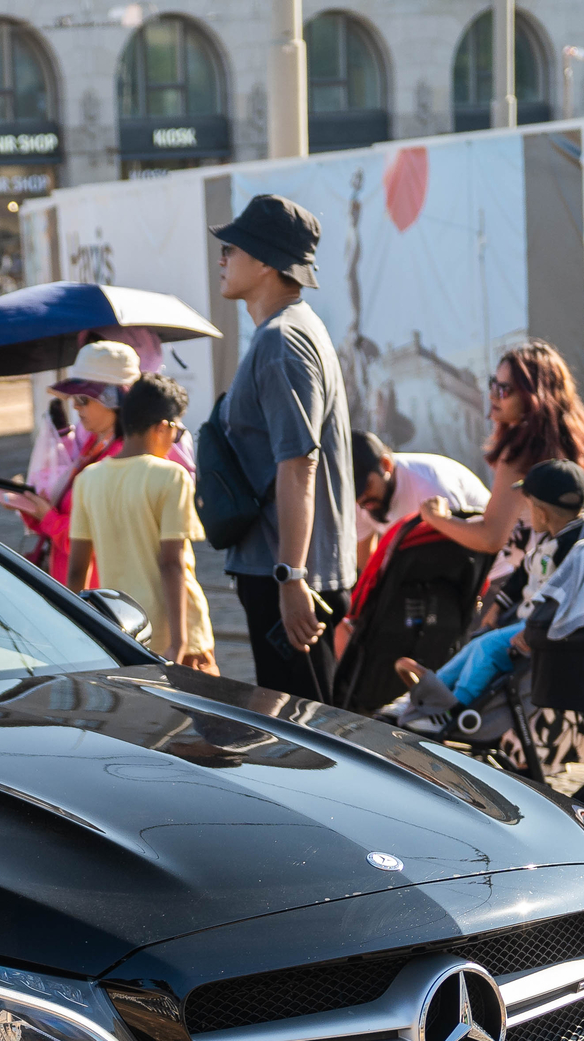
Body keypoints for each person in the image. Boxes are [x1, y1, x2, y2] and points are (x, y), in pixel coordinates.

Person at [211, 194, 357, 702]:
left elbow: (300, 463)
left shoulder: (281, 340)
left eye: (231, 248)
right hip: (287, 571)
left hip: (289, 576)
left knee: (309, 743)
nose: (222, 259)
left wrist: (291, 577)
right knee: (308, 735)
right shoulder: (292, 330)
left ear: (267, 262)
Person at [388, 459, 584, 732]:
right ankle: (427, 694)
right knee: (475, 645)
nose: (525, 511)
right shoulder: (551, 537)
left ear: (542, 513)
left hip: (543, 630)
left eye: (528, 505)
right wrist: (497, 608)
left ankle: (454, 708)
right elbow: (521, 577)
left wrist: (535, 628)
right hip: (530, 623)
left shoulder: (578, 546)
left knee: (486, 650)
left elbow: (567, 598)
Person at [418, 342, 584, 607]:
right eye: (493, 383)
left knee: (477, 646)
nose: (493, 395)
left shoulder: (522, 454)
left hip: (541, 593)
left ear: (533, 397)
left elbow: (491, 537)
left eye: (504, 390)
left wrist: (435, 519)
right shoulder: (576, 440)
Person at [67, 373, 216, 673]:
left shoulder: (87, 480)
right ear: (163, 426)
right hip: (177, 634)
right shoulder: (171, 476)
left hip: (121, 631)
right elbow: (171, 564)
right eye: (176, 433)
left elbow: (77, 571)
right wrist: (180, 642)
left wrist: (77, 635)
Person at [0, 341, 140, 585]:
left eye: (84, 399)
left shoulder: (120, 458)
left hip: (98, 593)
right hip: (75, 586)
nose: (74, 405)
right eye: (74, 398)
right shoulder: (96, 444)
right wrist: (30, 506)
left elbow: (95, 541)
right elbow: (67, 514)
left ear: (113, 399)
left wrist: (46, 515)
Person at [353, 430, 488, 545]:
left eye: (366, 486)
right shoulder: (359, 500)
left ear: (386, 465)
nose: (361, 498)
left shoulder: (430, 483)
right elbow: (369, 566)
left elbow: (462, 548)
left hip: (495, 566)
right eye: (354, 492)